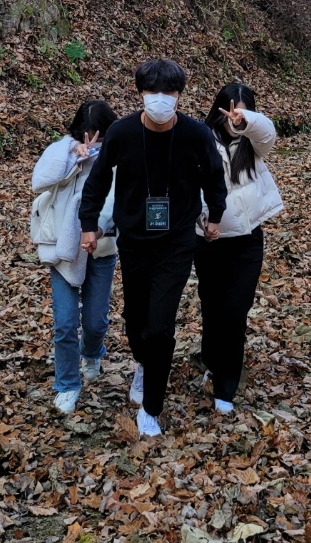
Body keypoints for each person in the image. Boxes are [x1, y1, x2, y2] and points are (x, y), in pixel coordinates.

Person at [79, 58, 227, 438]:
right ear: (141, 93)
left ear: (179, 95)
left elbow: (214, 176)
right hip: (134, 241)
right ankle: (144, 363)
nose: (160, 99)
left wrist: (215, 215)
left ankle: (151, 409)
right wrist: (89, 224)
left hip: (177, 242)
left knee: (159, 328)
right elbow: (97, 181)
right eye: (152, 91)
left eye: (169, 92)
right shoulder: (122, 133)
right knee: (136, 322)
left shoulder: (195, 134)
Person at [194, 82, 283, 414]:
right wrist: (204, 221)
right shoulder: (201, 140)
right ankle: (210, 359)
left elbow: (267, 132)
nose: (234, 117)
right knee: (212, 307)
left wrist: (247, 122)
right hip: (208, 241)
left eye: (243, 112)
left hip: (247, 242)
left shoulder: (254, 144)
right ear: (218, 110)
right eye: (230, 111)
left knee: (235, 313)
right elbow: (190, 187)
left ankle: (226, 386)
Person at [31, 97, 119, 415]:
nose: (93, 141)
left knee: (95, 322)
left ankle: (92, 352)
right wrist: (73, 157)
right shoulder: (62, 150)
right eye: (87, 135)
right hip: (64, 249)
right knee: (65, 322)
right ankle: (67, 383)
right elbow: (39, 181)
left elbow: (121, 199)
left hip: (102, 248)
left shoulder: (118, 156)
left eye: (99, 136)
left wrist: (98, 229)